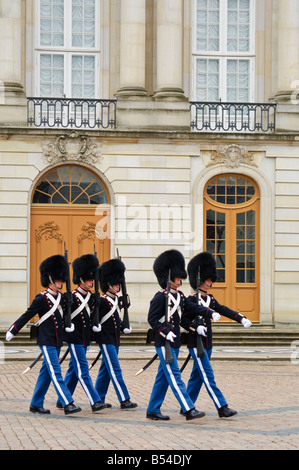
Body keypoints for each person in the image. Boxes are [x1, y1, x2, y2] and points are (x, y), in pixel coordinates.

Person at [146, 249, 221, 422]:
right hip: (164, 342)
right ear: (169, 276)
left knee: (163, 377)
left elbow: (193, 307)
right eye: (177, 276)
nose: (181, 279)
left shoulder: (179, 296)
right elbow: (152, 319)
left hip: (175, 342)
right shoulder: (160, 297)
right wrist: (165, 332)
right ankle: (188, 408)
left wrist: (210, 312)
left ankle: (152, 409)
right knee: (174, 376)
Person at [5, 255, 81, 416]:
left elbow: (68, 316)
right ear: (50, 279)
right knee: (55, 371)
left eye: (62, 280)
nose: (61, 282)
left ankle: (35, 403)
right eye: (58, 280)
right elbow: (27, 315)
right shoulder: (42, 298)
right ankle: (68, 402)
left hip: (58, 340)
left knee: (46, 372)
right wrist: (13, 330)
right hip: (46, 340)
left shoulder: (62, 297)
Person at [181, 251, 252, 418]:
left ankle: (186, 405)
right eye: (207, 279)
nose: (210, 281)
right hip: (196, 344)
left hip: (208, 344)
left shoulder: (210, 299)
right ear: (199, 279)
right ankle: (222, 406)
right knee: (208, 375)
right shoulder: (190, 300)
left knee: (197, 377)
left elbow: (223, 310)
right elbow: (183, 321)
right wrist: (194, 327)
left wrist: (241, 318)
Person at [56, 254, 107, 413]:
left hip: (85, 338)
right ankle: (95, 400)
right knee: (83, 369)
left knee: (73, 369)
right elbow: (60, 315)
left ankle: (61, 399)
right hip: (74, 337)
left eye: (93, 279)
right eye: (89, 279)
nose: (92, 281)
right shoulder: (70, 297)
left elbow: (92, 317)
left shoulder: (92, 297)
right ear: (81, 279)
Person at [93, 258, 137, 410]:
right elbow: (97, 319)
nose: (118, 286)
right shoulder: (103, 301)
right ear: (108, 284)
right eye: (115, 283)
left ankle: (98, 398)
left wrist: (123, 326)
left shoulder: (117, 300)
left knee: (105, 370)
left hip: (114, 338)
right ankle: (124, 399)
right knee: (115, 369)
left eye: (119, 283)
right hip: (106, 339)